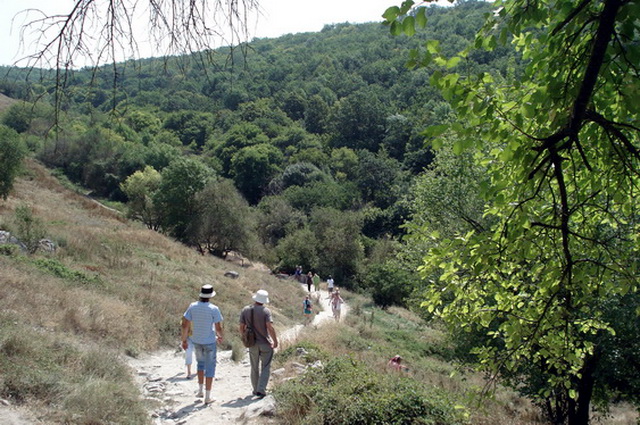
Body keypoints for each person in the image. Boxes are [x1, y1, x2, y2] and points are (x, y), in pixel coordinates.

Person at [181, 284, 224, 405]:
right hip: (209, 341)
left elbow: (185, 324)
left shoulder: (192, 306)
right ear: (210, 296)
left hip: (197, 340)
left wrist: (184, 340)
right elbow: (218, 327)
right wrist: (220, 336)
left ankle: (200, 390)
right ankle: (208, 396)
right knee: (210, 367)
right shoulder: (214, 309)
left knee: (200, 364)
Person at [239, 289, 279, 399]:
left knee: (254, 367)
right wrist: (275, 341)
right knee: (266, 366)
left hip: (252, 343)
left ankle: (255, 389)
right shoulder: (266, 311)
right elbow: (270, 327)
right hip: (265, 342)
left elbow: (241, 327)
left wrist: (245, 338)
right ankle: (261, 389)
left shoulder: (245, 310)